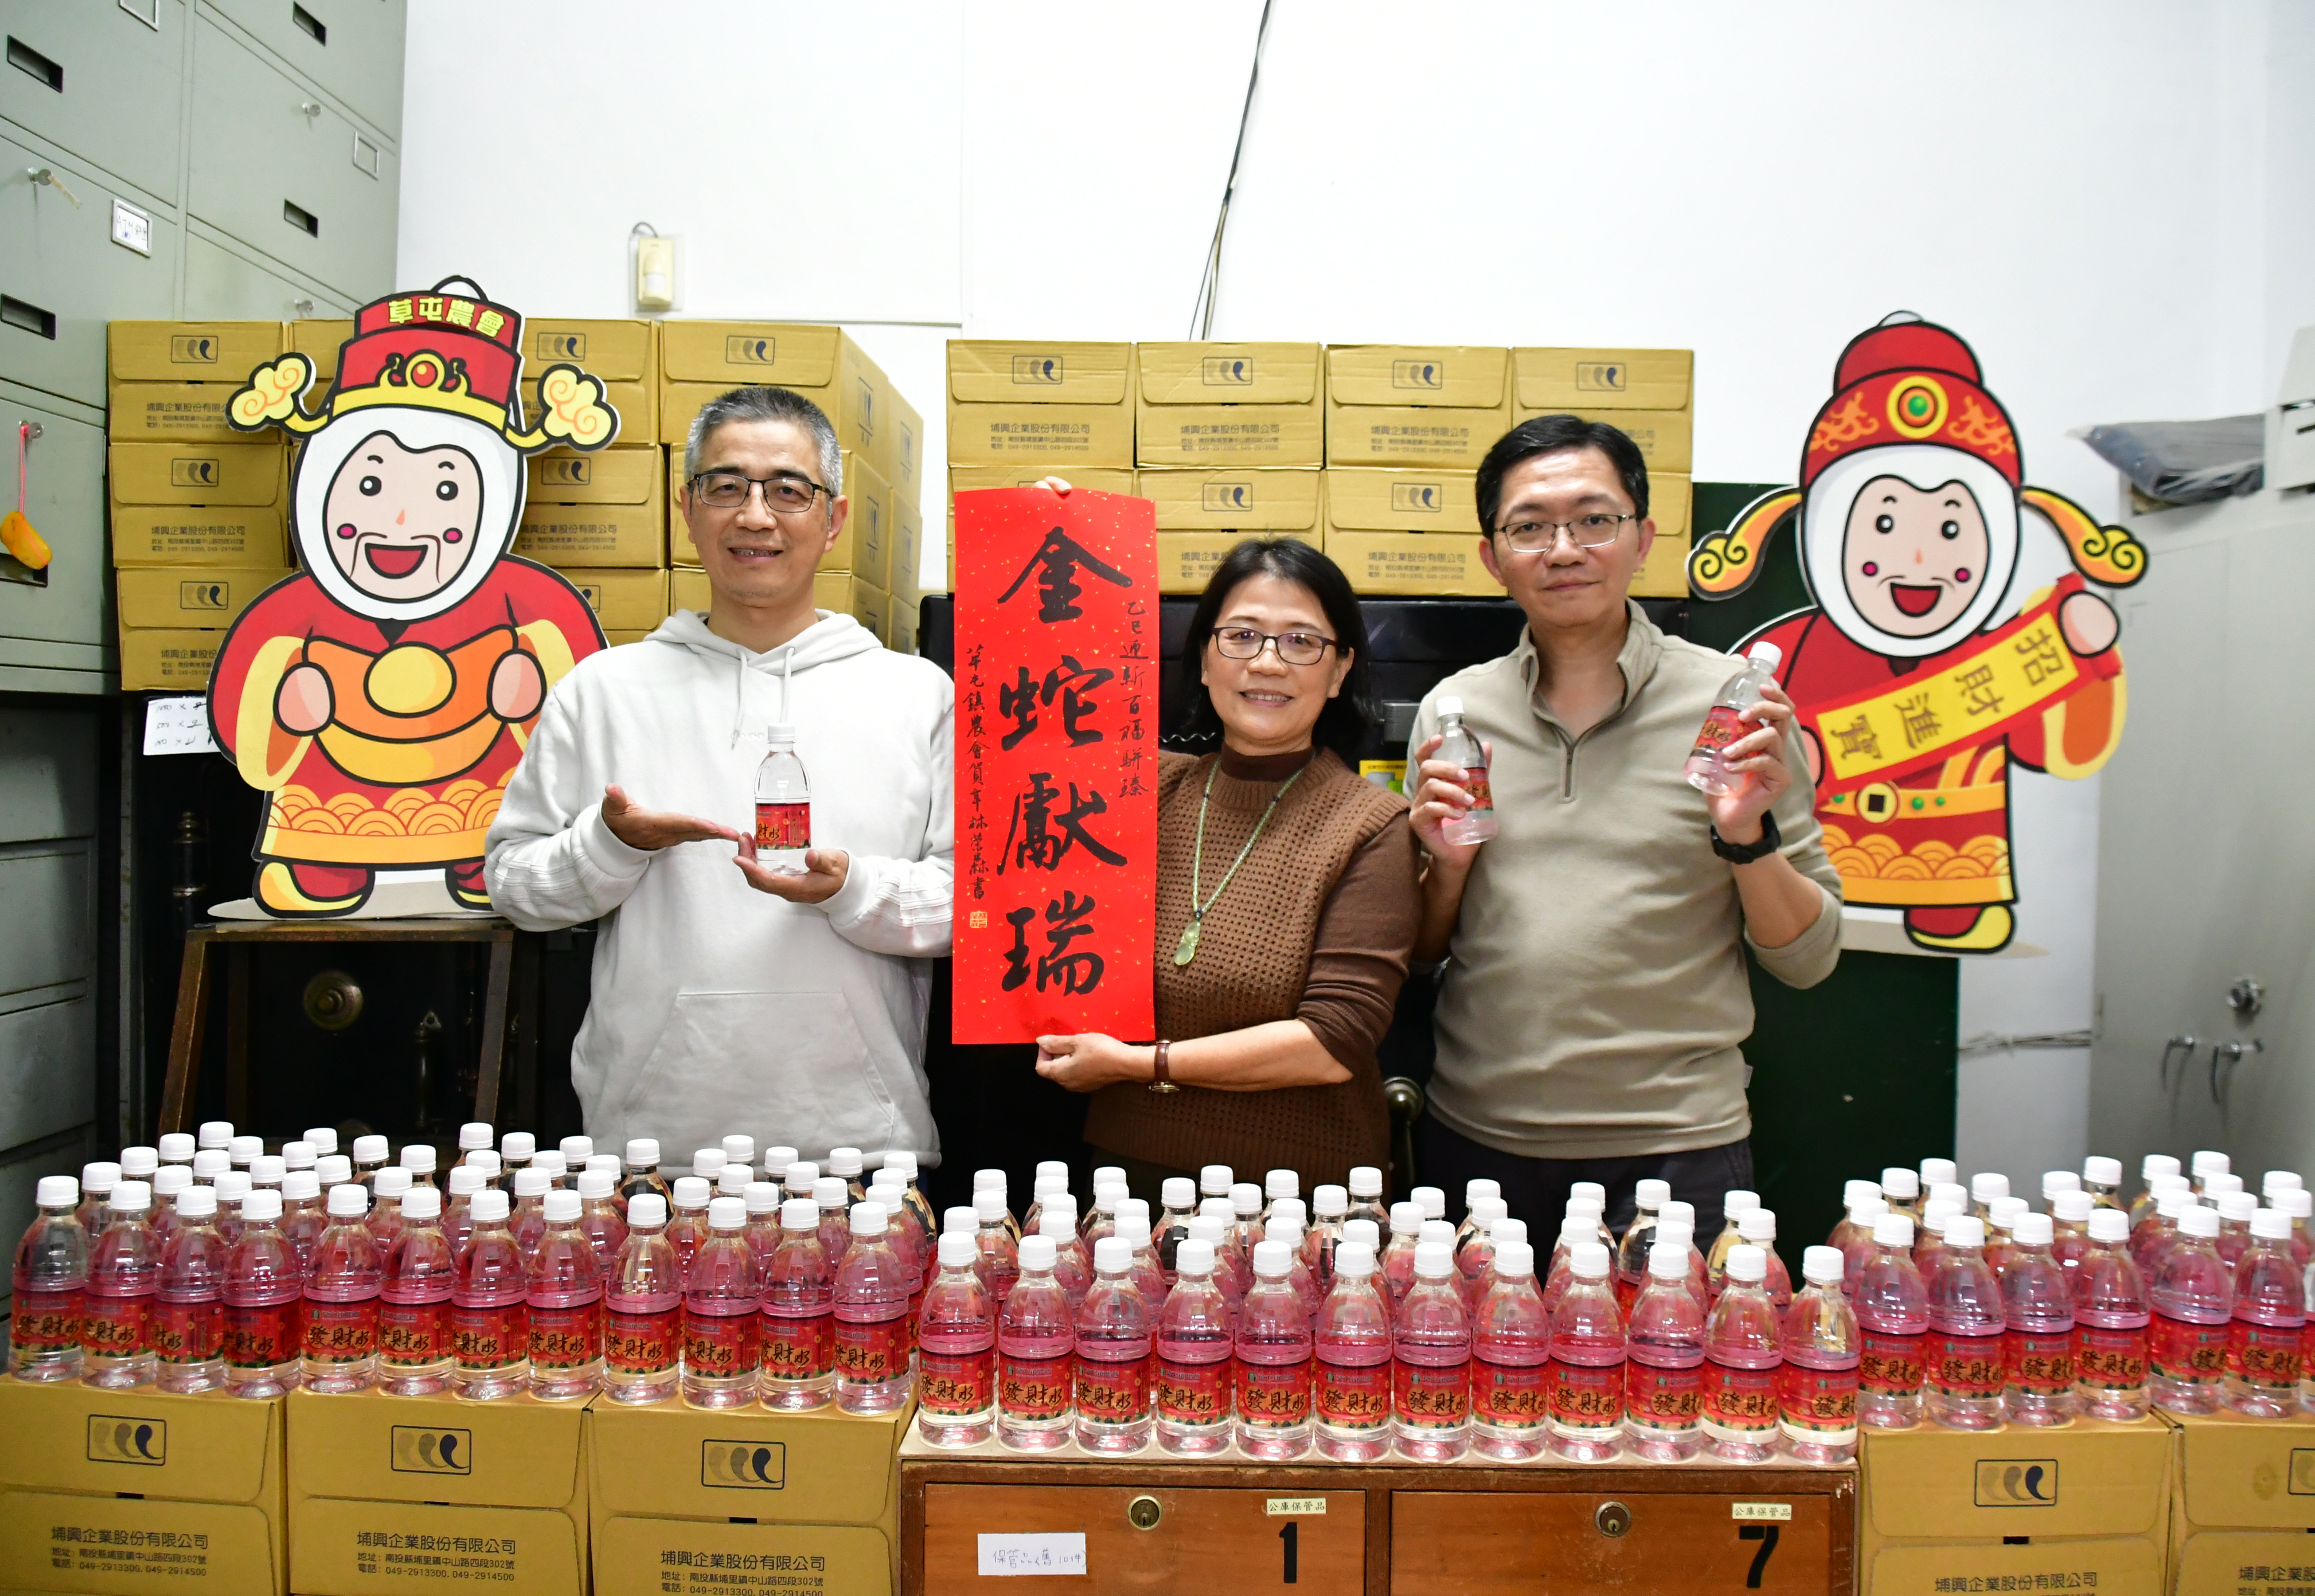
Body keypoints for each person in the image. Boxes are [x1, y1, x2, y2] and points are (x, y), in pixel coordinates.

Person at [1406, 414, 1842, 1258]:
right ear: (1493, 557)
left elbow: (1809, 958)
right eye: (1530, 527)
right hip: (1480, 1140)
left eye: (1594, 520)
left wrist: (1746, 837)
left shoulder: (1735, 711)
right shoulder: (1456, 713)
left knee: (1674, 1352)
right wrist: (1448, 871)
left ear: (1643, 538)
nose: (1564, 549)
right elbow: (1420, 954)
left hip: (1677, 1151)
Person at [486, 386, 954, 1166]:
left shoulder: (916, 694)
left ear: (834, 520)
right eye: (726, 486)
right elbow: (513, 887)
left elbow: (972, 906)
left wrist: (853, 890)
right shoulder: (603, 691)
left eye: (789, 490)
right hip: (650, 1149)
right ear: (687, 507)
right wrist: (610, 847)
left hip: (862, 1148)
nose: (756, 516)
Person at [1029, 523, 1419, 1194]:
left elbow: (1331, 1044)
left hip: (1300, 1195)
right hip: (1127, 1175)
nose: (1267, 663)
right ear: (1205, 660)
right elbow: (1031, 720)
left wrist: (1138, 1064)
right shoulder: (1139, 791)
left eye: (1301, 642)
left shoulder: (1373, 825)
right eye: (1241, 636)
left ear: (1339, 671)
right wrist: (1045, 525)